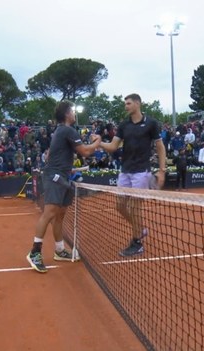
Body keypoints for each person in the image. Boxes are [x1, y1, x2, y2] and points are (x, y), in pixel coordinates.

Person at [26, 100, 102, 273]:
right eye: (73, 111)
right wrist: (98, 141)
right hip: (55, 177)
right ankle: (34, 252)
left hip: (62, 176)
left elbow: (52, 155)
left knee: (60, 215)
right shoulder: (67, 130)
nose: (75, 114)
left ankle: (60, 250)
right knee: (49, 213)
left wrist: (66, 167)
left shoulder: (61, 131)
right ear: (67, 113)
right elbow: (85, 151)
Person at [99, 93, 167, 257]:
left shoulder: (151, 123)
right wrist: (98, 143)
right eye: (126, 104)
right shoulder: (123, 125)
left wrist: (162, 170)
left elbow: (160, 147)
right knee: (120, 205)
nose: (126, 106)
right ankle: (140, 230)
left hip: (141, 171)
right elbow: (113, 146)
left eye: (128, 103)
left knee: (135, 207)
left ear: (137, 103)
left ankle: (137, 243)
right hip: (125, 170)